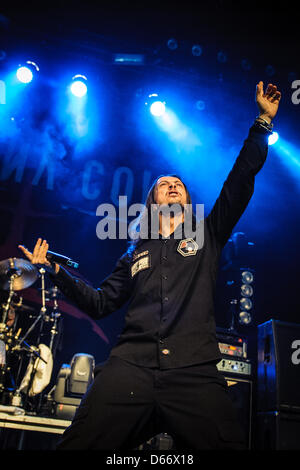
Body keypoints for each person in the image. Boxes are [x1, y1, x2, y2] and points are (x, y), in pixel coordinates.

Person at [18, 81, 281, 450]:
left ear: (187, 201)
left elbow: (239, 182)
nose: (172, 185)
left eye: (178, 184)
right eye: (163, 184)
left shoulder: (208, 232)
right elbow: (99, 303)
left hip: (194, 371)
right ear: (153, 202)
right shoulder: (133, 255)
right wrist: (58, 273)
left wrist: (262, 124)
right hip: (131, 368)